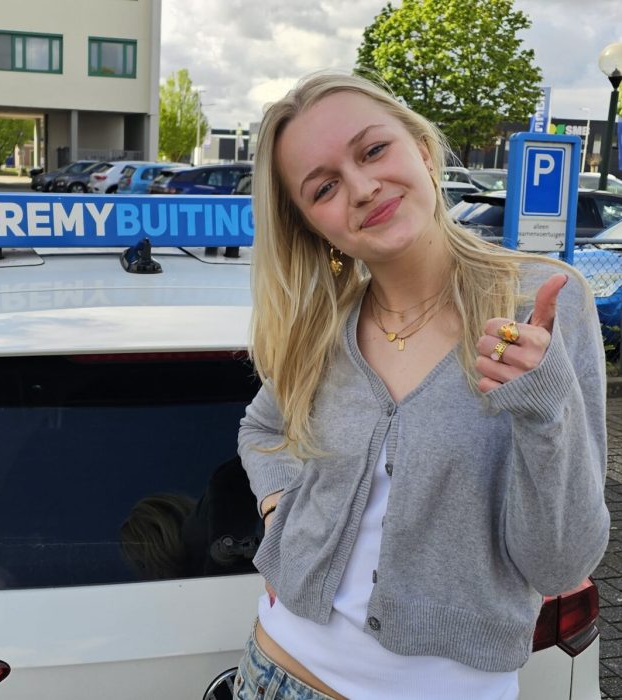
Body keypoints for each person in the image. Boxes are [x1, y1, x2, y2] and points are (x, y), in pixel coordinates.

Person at [235, 70, 610, 700]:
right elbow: (263, 426)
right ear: (311, 227)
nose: (361, 187)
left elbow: (561, 565)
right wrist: (278, 514)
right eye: (324, 187)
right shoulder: (326, 331)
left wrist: (543, 412)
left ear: (425, 151)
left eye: (373, 150)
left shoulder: (540, 306)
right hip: (275, 671)